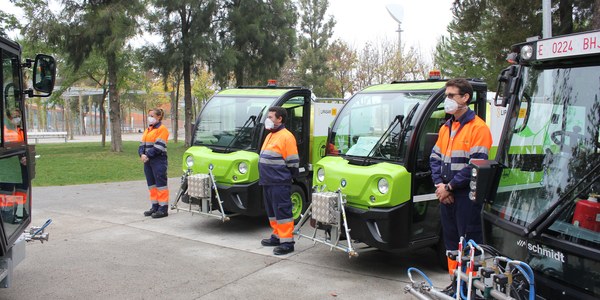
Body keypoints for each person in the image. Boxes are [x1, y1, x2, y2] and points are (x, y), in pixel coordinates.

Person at [429, 79, 492, 284]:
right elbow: (435, 158)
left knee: (469, 245)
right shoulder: (446, 127)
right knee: (451, 245)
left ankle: (469, 289)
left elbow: (475, 165)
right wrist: (440, 186)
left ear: (465, 98)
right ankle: (455, 285)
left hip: (466, 197)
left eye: (451, 95)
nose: (447, 100)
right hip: (447, 195)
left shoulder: (478, 128)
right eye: (446, 96)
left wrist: (449, 187)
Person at [258, 106, 299, 255]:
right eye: (268, 117)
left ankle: (287, 242)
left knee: (283, 212)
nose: (268, 120)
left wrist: (285, 177)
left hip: (279, 182)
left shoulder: (287, 136)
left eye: (271, 117)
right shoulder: (270, 134)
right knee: (272, 212)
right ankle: (277, 236)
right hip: (268, 181)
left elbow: (293, 162)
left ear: (280, 119)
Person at [139, 108, 170, 218]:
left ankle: (163, 209)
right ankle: (155, 206)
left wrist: (147, 155)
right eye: (149, 115)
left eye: (152, 116)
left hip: (158, 161)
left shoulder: (162, 129)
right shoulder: (148, 129)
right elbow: (142, 144)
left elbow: (158, 147)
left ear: (159, 117)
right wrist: (141, 154)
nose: (150, 118)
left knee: (161, 185)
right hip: (148, 161)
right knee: (152, 186)